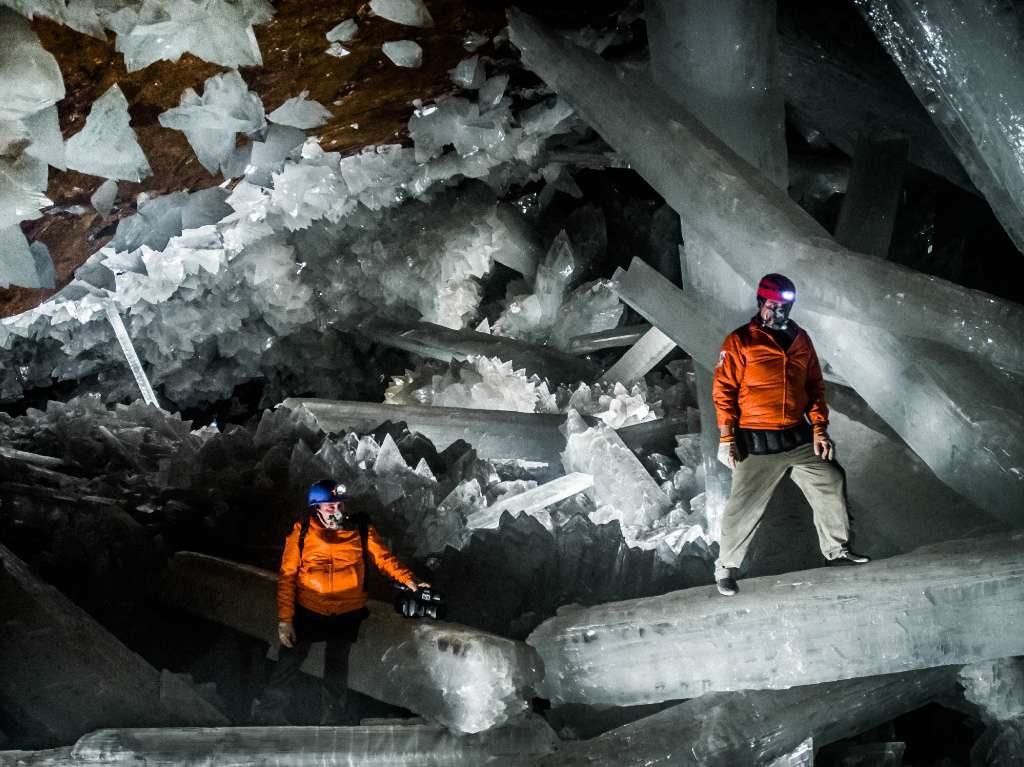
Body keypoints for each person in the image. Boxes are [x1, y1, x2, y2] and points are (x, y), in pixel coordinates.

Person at [711, 273, 869, 597]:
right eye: (773, 306)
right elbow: (723, 391)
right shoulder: (741, 341)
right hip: (756, 443)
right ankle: (725, 569)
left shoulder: (800, 340)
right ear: (760, 304)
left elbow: (814, 387)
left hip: (796, 438)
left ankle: (837, 552)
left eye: (785, 306)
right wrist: (727, 437)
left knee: (830, 478)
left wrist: (820, 429)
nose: (779, 313)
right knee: (742, 507)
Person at [252, 479, 428, 724]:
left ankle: (332, 717)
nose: (335, 509)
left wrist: (411, 581)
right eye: (328, 505)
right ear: (317, 508)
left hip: (347, 612)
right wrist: (285, 619)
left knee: (336, 666)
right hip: (309, 609)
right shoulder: (302, 532)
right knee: (290, 660)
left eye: (338, 504)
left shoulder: (361, 530)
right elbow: (287, 576)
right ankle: (269, 711)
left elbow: (385, 560)